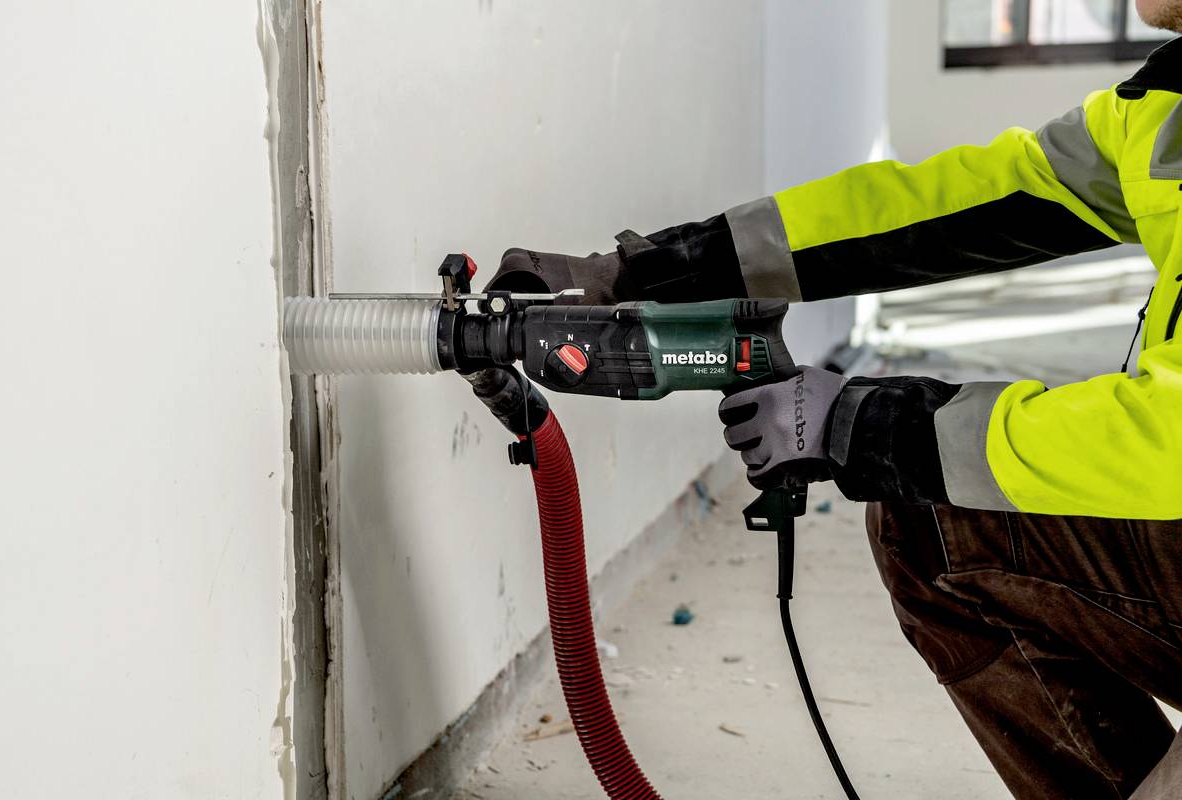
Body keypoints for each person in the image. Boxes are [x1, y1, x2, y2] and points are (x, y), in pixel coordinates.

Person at [489, 8, 1182, 797]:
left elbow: (1167, 443)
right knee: (935, 526)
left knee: (939, 501)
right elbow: (947, 207)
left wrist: (866, 423)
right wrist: (646, 273)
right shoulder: (1164, 109)